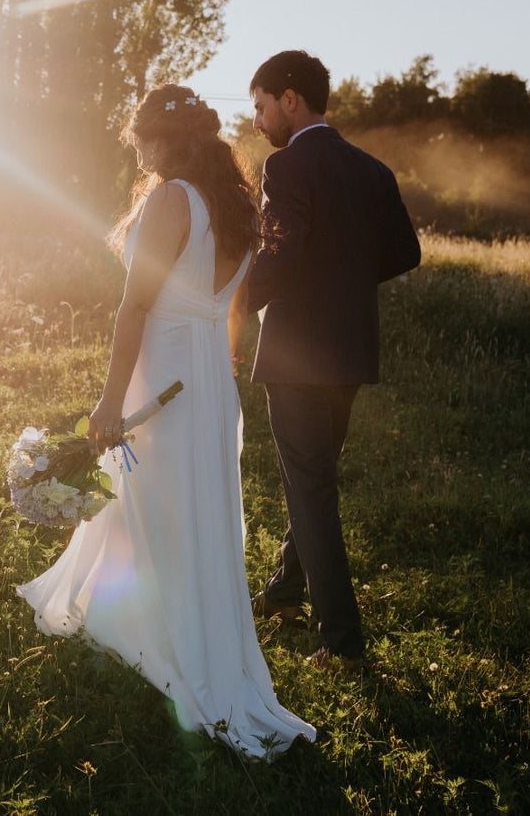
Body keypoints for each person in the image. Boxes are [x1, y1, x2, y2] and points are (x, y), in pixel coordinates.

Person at [16, 84, 316, 758]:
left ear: (160, 139)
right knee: (191, 512)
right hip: (207, 376)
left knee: (164, 509)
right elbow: (233, 303)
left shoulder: (170, 198)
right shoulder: (233, 203)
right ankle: (173, 632)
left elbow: (134, 308)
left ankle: (175, 649)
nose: (140, 153)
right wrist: (222, 358)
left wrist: (108, 401)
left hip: (165, 368)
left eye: (141, 141)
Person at [244, 50, 422, 668]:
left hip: (296, 355)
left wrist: (230, 305)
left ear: (291, 99)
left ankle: (343, 645)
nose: (258, 121)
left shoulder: (287, 165)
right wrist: (343, 280)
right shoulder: (372, 169)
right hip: (349, 351)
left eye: (262, 106)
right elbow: (406, 251)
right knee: (314, 479)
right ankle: (285, 593)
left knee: (310, 487)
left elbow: (279, 253)